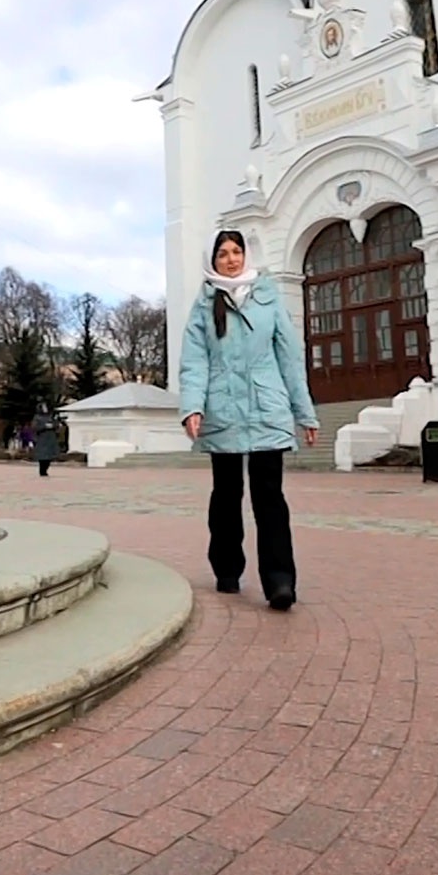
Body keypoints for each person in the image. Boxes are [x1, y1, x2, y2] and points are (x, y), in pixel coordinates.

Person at [177, 229, 321, 610]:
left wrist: (304, 411)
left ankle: (279, 582)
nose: (231, 259)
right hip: (223, 409)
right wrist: (192, 406)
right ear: (213, 259)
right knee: (226, 496)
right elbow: (195, 361)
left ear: (246, 254)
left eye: (236, 251)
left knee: (270, 498)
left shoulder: (268, 297)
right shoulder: (205, 305)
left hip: (266, 408)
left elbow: (289, 358)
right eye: (223, 253)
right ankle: (227, 569)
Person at [31, 401, 61, 477]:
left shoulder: (50, 416)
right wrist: (44, 426)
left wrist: (53, 426)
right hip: (42, 439)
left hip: (51, 439)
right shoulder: (37, 417)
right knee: (42, 456)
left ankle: (45, 470)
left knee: (49, 457)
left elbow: (56, 424)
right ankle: (42, 471)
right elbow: (34, 427)